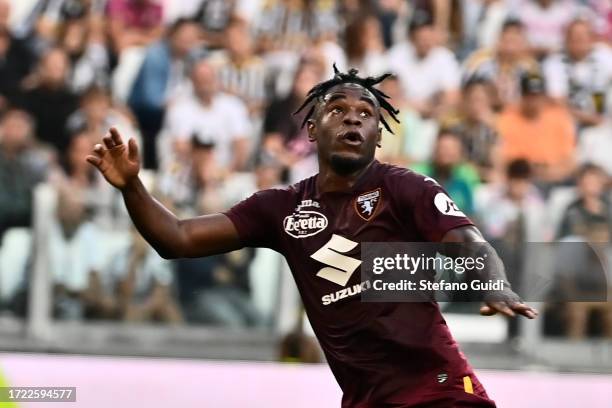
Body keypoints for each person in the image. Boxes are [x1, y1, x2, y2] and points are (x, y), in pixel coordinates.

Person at [87, 66, 537, 407]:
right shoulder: (279, 207)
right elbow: (178, 239)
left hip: (437, 391)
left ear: (378, 135)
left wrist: (493, 281)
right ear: (311, 128)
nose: (352, 120)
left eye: (366, 113)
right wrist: (133, 187)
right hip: (365, 399)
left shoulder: (406, 189)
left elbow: (467, 242)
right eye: (337, 109)